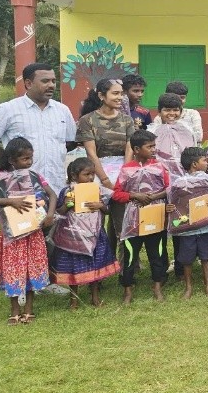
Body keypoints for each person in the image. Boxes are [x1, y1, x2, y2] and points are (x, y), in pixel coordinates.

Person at [0, 137, 57, 324]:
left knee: (32, 268)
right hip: (12, 236)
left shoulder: (35, 176)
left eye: (30, 158)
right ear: (12, 160)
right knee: (13, 269)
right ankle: (14, 310)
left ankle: (29, 310)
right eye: (24, 159)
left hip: (33, 233)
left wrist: (50, 214)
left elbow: (52, 195)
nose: (29, 162)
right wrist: (11, 201)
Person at [0, 62, 77, 193]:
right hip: (20, 186)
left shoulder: (62, 110)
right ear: (28, 83)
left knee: (54, 214)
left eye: (53, 81)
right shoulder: (8, 109)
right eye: (45, 81)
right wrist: (11, 162)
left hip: (56, 184)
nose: (51, 85)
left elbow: (70, 143)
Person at [110, 130, 171, 304]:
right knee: (130, 254)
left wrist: (154, 196)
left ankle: (157, 286)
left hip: (155, 216)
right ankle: (127, 289)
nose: (153, 149)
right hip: (133, 219)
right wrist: (134, 196)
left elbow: (169, 188)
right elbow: (117, 194)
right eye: (149, 146)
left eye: (154, 146)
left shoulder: (159, 167)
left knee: (157, 253)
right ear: (136, 149)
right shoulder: (127, 169)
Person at [50, 157, 119, 308]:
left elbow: (107, 211)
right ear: (75, 176)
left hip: (94, 233)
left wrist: (100, 205)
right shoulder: (67, 191)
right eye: (86, 174)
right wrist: (68, 205)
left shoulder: (97, 190)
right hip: (74, 236)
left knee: (95, 264)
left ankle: (95, 297)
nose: (90, 177)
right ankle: (74, 300)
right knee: (74, 266)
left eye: (92, 174)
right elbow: (59, 211)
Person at [76, 78, 135, 252]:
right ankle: (96, 266)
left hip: (122, 174)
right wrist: (105, 180)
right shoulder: (88, 121)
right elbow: (91, 153)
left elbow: (129, 149)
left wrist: (122, 177)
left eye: (121, 93)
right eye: (115, 93)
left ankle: (128, 269)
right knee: (94, 223)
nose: (120, 97)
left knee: (123, 223)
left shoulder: (127, 120)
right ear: (102, 95)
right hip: (96, 174)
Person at [171, 147, 208, 299]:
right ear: (194, 164)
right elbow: (175, 203)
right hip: (188, 228)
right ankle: (188, 287)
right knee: (187, 259)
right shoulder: (179, 183)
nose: (207, 163)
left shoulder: (207, 180)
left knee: (206, 256)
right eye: (204, 160)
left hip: (205, 226)